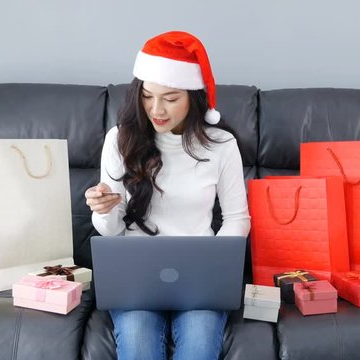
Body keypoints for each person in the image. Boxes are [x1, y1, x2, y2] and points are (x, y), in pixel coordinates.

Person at [85, 30, 251, 360]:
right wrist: (103, 209)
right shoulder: (120, 140)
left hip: (200, 278)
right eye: (147, 96)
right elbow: (110, 229)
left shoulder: (221, 145)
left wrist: (214, 269)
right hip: (134, 276)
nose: (156, 109)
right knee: (137, 343)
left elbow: (236, 218)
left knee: (201, 343)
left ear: (193, 97)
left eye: (171, 98)